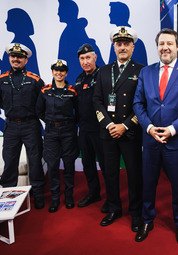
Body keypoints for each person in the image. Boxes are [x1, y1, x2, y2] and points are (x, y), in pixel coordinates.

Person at [133, 28, 178, 246]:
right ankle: (147, 220)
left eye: (170, 43)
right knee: (148, 184)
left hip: (176, 142)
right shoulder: (146, 72)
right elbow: (138, 104)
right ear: (157, 47)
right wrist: (149, 127)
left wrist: (172, 129)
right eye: (162, 43)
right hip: (151, 140)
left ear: (177, 46)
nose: (165, 47)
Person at [93, 26, 144, 231]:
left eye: (126, 44)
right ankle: (114, 208)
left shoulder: (142, 71)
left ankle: (136, 213)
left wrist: (124, 126)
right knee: (111, 173)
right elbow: (97, 101)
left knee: (134, 174)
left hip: (130, 131)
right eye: (118, 44)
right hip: (108, 132)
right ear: (114, 46)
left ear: (133, 46)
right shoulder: (104, 71)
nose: (122, 47)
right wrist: (108, 124)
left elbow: (144, 103)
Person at [0, 43, 45, 209]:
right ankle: (7, 196)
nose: (15, 59)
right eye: (13, 56)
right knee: (10, 161)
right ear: (9, 57)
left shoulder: (35, 80)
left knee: (34, 161)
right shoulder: (2, 79)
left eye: (19, 57)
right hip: (11, 125)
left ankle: (38, 193)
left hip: (31, 125)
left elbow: (43, 103)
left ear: (25, 59)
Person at [36, 60, 79, 213]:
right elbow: (39, 111)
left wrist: (69, 124)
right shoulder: (45, 91)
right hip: (51, 133)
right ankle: (55, 198)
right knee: (53, 166)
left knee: (68, 165)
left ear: (66, 73)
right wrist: (50, 122)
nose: (59, 73)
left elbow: (78, 112)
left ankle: (68, 196)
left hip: (68, 133)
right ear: (52, 72)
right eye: (56, 70)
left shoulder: (72, 91)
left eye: (62, 71)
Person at [75, 44, 105, 208]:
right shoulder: (79, 79)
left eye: (88, 58)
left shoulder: (104, 75)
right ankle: (94, 193)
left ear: (95, 57)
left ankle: (112, 197)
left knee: (106, 165)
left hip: (100, 129)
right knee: (88, 164)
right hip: (84, 129)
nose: (85, 62)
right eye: (82, 59)